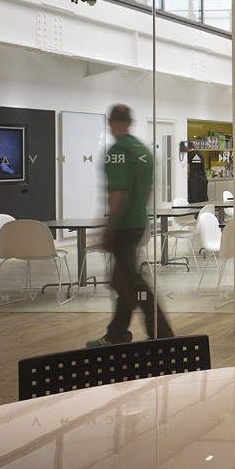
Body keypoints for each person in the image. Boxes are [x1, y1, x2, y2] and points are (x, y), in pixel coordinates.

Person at [87, 104, 174, 347]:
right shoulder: (143, 151)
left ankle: (163, 335)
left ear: (110, 122)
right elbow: (147, 189)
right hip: (138, 222)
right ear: (131, 121)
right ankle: (117, 334)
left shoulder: (118, 150)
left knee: (132, 282)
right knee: (122, 281)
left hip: (123, 226)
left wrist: (108, 228)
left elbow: (118, 193)